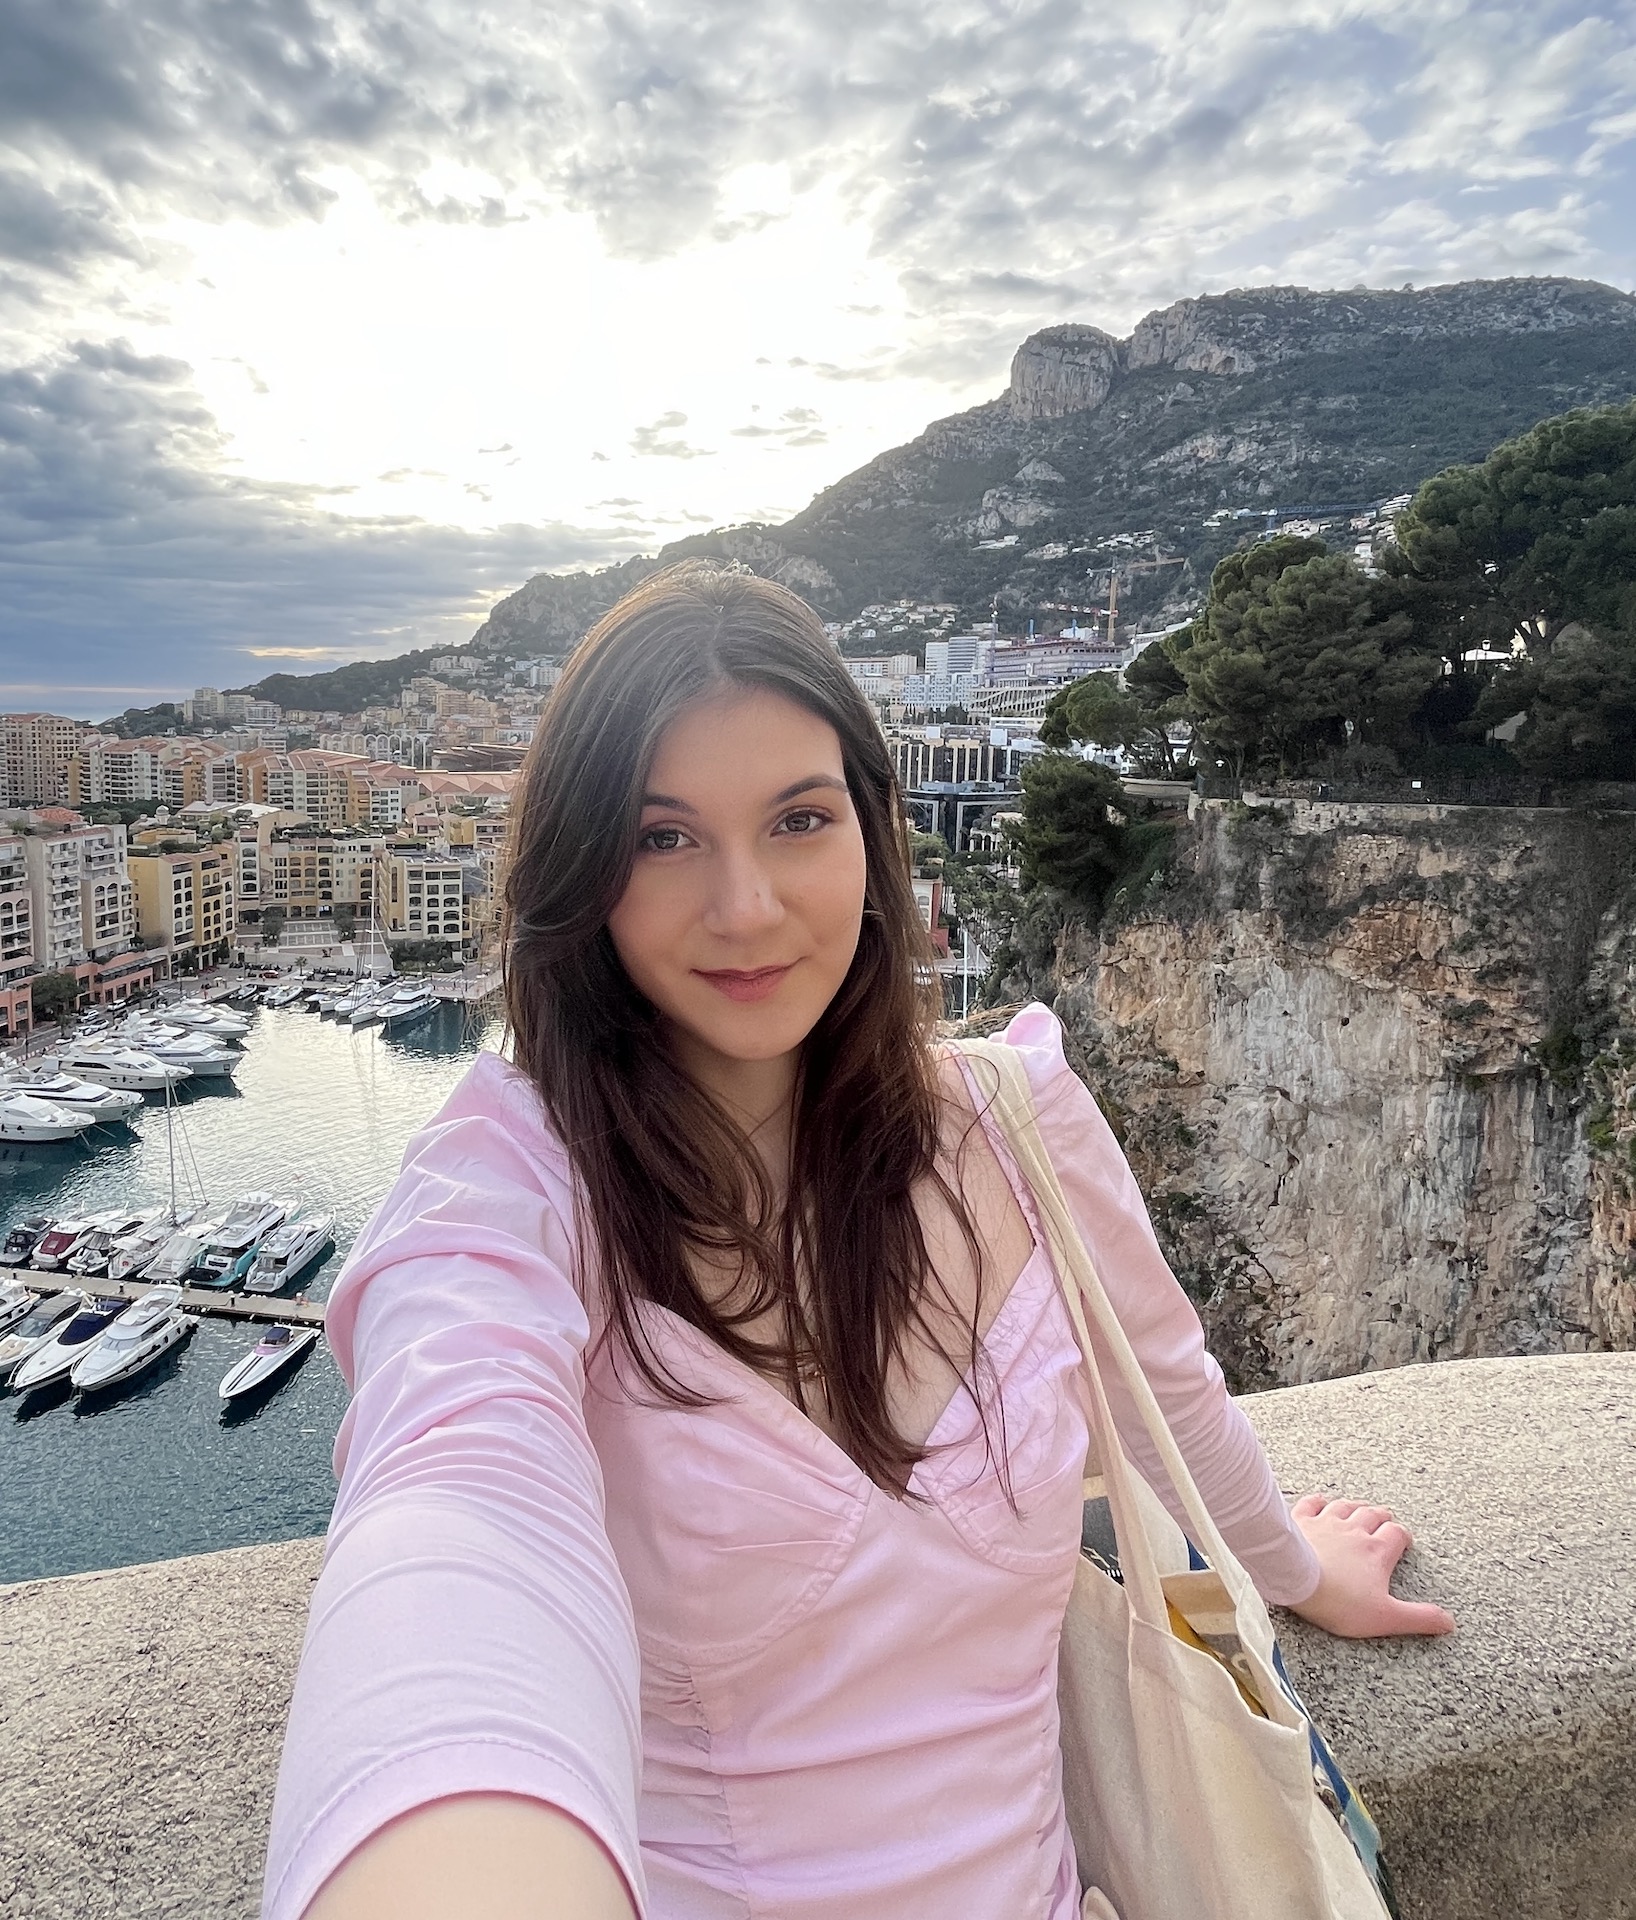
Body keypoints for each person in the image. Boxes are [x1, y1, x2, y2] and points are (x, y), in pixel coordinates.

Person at [265, 563, 1453, 1920]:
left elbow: (1169, 1394)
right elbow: (456, 1502)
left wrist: (1292, 1569)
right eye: (662, 838)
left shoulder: (1016, 1124)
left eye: (798, 820)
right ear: (581, 871)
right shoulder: (510, 1188)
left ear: (874, 831)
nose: (746, 907)